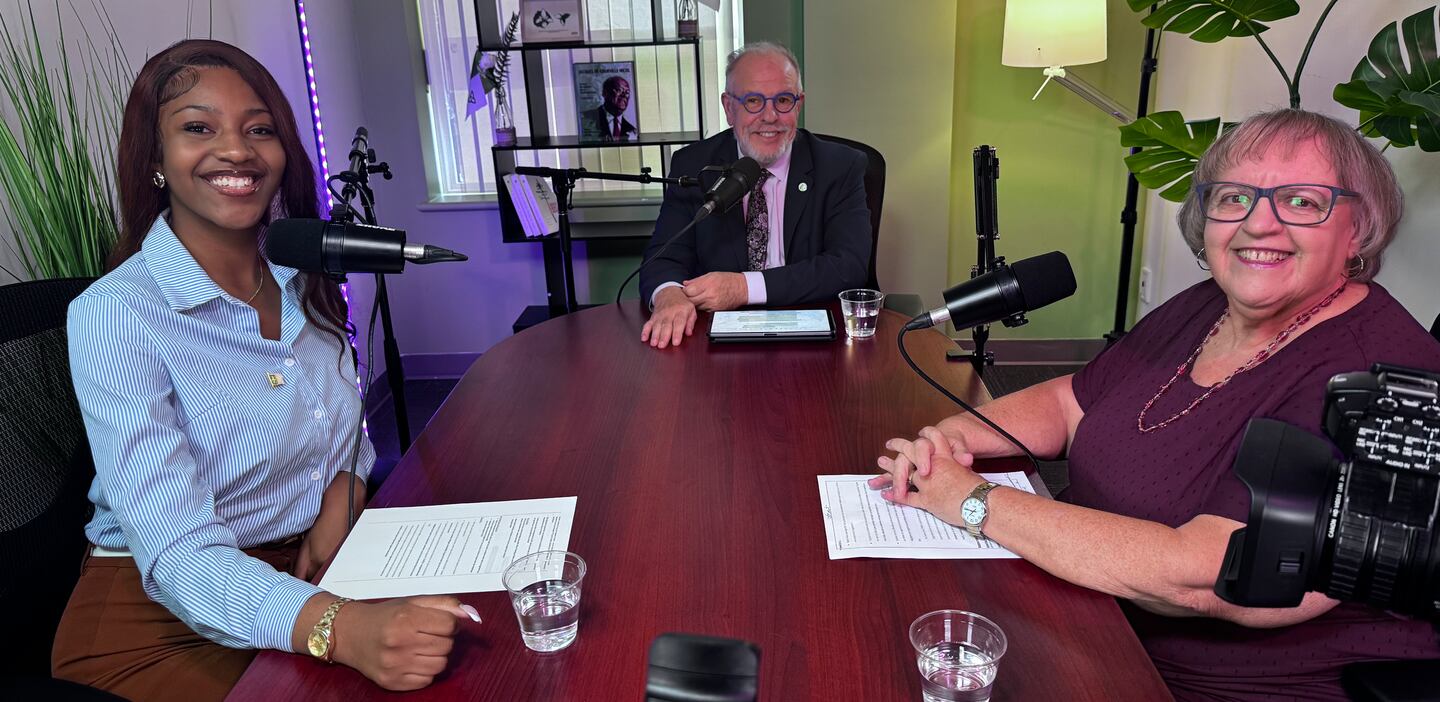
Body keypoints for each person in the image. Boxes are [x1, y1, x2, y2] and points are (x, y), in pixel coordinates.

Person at [871, 109, 1440, 701]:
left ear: (1358, 228)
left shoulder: (1382, 377)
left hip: (1221, 681)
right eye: (1234, 197)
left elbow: (1209, 575)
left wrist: (973, 501)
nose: (1258, 224)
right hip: (1089, 608)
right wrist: (962, 433)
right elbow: (1072, 401)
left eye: (1301, 202)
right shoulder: (1205, 305)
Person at [52, 40, 480, 701]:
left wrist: (345, 491)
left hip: (313, 567)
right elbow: (180, 556)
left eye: (260, 129)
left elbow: (343, 431)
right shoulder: (116, 315)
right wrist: (342, 630)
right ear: (155, 161)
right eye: (199, 128)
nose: (238, 150)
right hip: (162, 612)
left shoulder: (299, 274)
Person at [638, 41, 872, 349]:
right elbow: (664, 256)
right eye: (753, 101)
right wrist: (668, 295)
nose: (770, 116)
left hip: (817, 340)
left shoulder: (840, 167)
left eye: (783, 100)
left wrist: (743, 288)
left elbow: (849, 266)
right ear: (728, 108)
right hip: (717, 343)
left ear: (798, 105)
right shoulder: (695, 166)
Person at [581, 74, 637, 141]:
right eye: (619, 90)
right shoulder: (585, 119)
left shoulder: (632, 130)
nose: (624, 95)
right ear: (605, 93)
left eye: (627, 92)